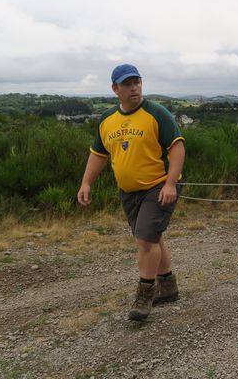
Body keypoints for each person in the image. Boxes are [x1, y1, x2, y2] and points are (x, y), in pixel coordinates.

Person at [77, 64, 185, 321]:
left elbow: (177, 148)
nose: (134, 87)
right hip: (129, 192)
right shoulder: (107, 119)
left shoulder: (156, 113)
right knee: (152, 238)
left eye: (137, 82)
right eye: (127, 84)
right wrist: (86, 183)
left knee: (145, 241)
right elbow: (98, 155)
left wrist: (170, 184)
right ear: (115, 89)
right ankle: (168, 286)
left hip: (158, 186)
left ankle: (145, 295)